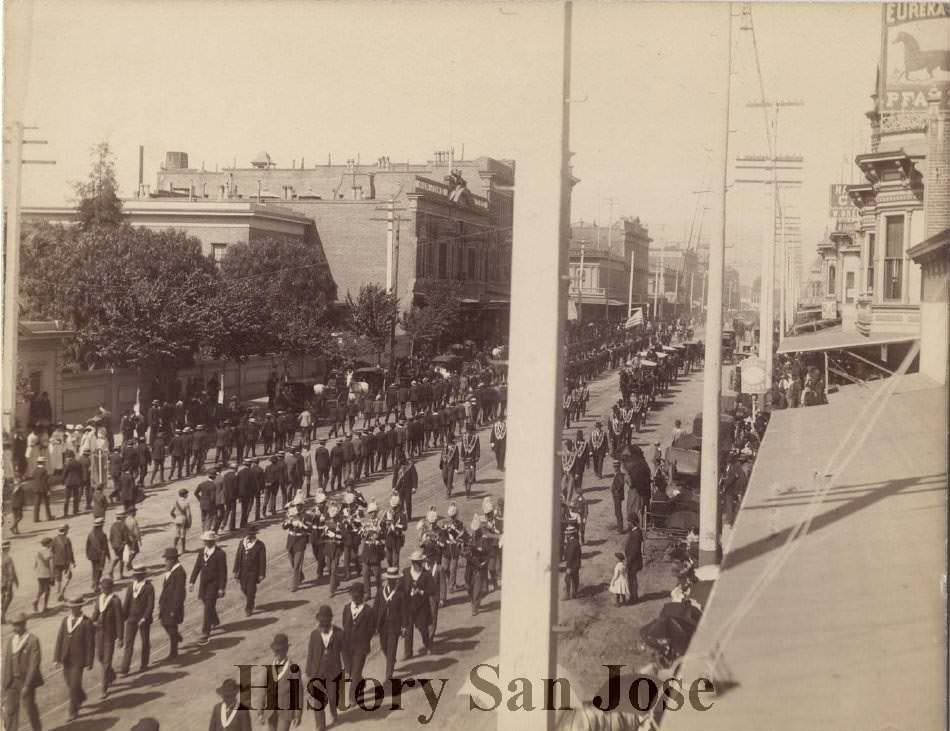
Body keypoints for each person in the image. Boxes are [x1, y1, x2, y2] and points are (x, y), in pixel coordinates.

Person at [53, 596, 95, 722]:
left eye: (76, 608)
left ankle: (73, 711)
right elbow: (60, 639)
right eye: (71, 608)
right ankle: (80, 696)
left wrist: (89, 661)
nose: (73, 610)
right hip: (66, 658)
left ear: (80, 607)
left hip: (79, 659)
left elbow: (90, 643)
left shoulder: (87, 622)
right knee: (69, 683)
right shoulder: (65, 620)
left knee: (74, 685)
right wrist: (56, 658)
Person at [3, 610, 43, 731]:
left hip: (26, 681)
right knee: (10, 711)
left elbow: (34, 664)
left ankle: (37, 729)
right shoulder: (10, 641)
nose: (16, 627)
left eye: (18, 624)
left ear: (25, 624)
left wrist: (27, 684)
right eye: (14, 624)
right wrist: (4, 684)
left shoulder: (32, 640)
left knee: (29, 708)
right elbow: (7, 662)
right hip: (12, 681)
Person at [306, 605, 343, 731]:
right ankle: (320, 725)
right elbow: (310, 653)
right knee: (318, 700)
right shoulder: (314, 635)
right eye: (321, 620)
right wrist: (309, 671)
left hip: (333, 671)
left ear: (330, 619)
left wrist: (348, 668)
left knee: (332, 697)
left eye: (326, 619)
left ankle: (334, 714)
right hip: (318, 671)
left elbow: (345, 652)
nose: (323, 622)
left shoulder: (338, 633)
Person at [257, 633, 303, 731]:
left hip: (286, 711)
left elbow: (298, 693)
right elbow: (262, 691)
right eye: (275, 650)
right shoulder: (268, 669)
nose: (277, 653)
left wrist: (297, 714)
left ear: (286, 650)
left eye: (280, 650)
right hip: (270, 711)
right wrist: (260, 711)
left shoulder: (293, 668)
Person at [190, 531, 227, 646]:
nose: (206, 542)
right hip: (203, 584)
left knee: (208, 607)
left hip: (214, 585)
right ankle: (215, 620)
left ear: (213, 541)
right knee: (205, 602)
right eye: (205, 541)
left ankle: (205, 632)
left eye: (208, 541)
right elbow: (197, 567)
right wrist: (192, 581)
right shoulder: (202, 552)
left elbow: (223, 572)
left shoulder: (220, 554)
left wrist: (221, 587)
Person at [341, 582, 376, 705]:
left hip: (361, 647)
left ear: (362, 596)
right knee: (350, 670)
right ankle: (360, 682)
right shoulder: (346, 608)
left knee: (355, 672)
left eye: (358, 596)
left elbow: (371, 629)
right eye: (353, 596)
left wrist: (364, 639)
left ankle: (352, 697)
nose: (355, 598)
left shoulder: (368, 611)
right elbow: (344, 625)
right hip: (347, 647)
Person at [91, 576, 124, 698]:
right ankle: (112, 674)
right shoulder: (98, 599)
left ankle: (104, 688)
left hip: (110, 635)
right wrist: (92, 622)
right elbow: (95, 614)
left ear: (111, 588)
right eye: (102, 587)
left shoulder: (115, 601)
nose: (103, 590)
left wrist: (120, 638)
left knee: (106, 661)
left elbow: (119, 620)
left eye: (106, 588)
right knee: (99, 657)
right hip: (99, 634)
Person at [119, 565, 154, 675]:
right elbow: (126, 603)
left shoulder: (149, 587)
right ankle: (125, 667)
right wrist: (123, 617)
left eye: (139, 575)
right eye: (135, 575)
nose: (137, 577)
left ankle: (144, 664)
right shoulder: (130, 586)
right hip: (131, 618)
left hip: (143, 619)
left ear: (143, 575)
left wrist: (145, 617)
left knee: (145, 641)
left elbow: (150, 605)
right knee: (128, 643)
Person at [374, 567, 406, 683]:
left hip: (394, 625)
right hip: (383, 625)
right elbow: (375, 608)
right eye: (389, 579)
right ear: (387, 580)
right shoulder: (380, 591)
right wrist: (374, 625)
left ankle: (388, 675)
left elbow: (404, 611)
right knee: (384, 647)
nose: (391, 582)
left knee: (392, 648)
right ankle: (391, 660)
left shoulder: (400, 594)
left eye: (394, 580)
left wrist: (404, 626)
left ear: (396, 580)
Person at [402, 549, 434, 659]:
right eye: (417, 563)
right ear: (413, 563)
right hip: (408, 606)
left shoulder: (426, 574)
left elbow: (432, 590)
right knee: (408, 629)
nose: (419, 565)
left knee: (423, 628)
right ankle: (407, 652)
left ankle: (428, 645)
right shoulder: (406, 572)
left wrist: (421, 591)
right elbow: (401, 588)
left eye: (420, 562)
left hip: (421, 607)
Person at [158, 547, 186, 660]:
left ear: (172, 560)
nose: (165, 562)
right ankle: (177, 637)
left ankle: (173, 653)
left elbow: (179, 593)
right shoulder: (170, 571)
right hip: (166, 605)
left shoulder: (179, 572)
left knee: (171, 626)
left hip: (173, 606)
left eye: (167, 560)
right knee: (166, 624)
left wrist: (174, 609)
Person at [233, 524, 266, 616]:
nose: (249, 536)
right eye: (248, 534)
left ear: (255, 534)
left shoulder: (260, 545)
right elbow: (237, 557)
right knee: (244, 588)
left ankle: (249, 608)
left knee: (251, 590)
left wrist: (261, 574)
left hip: (253, 572)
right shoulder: (241, 543)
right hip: (243, 571)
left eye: (251, 534)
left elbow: (262, 560)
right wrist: (236, 570)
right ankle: (251, 599)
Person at [52, 524, 77, 602]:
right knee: (69, 576)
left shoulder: (54, 539)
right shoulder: (67, 539)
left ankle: (58, 593)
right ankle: (61, 593)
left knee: (59, 579)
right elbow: (70, 552)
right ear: (65, 530)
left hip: (56, 562)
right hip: (65, 562)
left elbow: (52, 551)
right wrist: (73, 562)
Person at [623, 516, 644, 605]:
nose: (628, 524)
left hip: (634, 561)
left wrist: (629, 561)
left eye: (629, 522)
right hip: (633, 560)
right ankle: (633, 596)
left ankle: (634, 598)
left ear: (633, 522)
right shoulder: (635, 531)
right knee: (631, 578)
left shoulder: (636, 533)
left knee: (632, 579)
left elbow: (635, 550)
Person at [32, 537, 53, 614]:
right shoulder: (49, 552)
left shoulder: (38, 551)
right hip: (46, 573)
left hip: (39, 573)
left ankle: (36, 600)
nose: (51, 544)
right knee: (47, 590)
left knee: (41, 589)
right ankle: (45, 607)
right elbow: (51, 565)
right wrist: (52, 575)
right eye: (51, 543)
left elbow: (35, 564)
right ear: (47, 544)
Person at [170, 488, 192, 554]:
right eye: (187, 494)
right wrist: (189, 522)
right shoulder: (186, 502)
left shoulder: (176, 502)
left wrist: (175, 518)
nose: (187, 495)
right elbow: (188, 514)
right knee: (183, 535)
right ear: (184, 495)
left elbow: (171, 512)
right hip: (183, 519)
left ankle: (174, 547)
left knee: (177, 534)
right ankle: (183, 550)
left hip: (177, 518)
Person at [563, 524, 581, 600]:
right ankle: (574, 594)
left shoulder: (572, 543)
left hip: (572, 564)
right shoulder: (576, 541)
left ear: (570, 535)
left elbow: (570, 555)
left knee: (567, 579)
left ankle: (568, 595)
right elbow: (580, 553)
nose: (566, 535)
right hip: (576, 563)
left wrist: (569, 567)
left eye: (567, 534)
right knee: (575, 579)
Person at [32, 457, 53, 523]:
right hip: (43, 489)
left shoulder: (35, 470)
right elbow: (45, 481)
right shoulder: (44, 470)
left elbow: (34, 478)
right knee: (47, 503)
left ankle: (36, 518)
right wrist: (48, 490)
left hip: (37, 489)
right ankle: (49, 516)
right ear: (43, 463)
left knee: (37, 504)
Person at [1, 541, 18, 623]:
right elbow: (11, 573)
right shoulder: (8, 558)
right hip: (5, 581)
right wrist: (15, 581)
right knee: (9, 597)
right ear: (7, 548)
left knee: (2, 598)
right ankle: (2, 617)